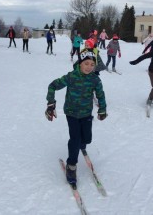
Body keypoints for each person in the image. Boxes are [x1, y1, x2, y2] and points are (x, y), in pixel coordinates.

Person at [45, 48, 107, 185]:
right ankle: (71, 166)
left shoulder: (95, 79)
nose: (89, 67)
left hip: (86, 113)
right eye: (86, 64)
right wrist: (51, 103)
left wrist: (102, 109)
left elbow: (100, 94)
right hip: (71, 113)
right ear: (80, 63)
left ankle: (81, 143)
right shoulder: (71, 77)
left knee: (87, 139)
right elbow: (53, 85)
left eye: (92, 64)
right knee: (75, 139)